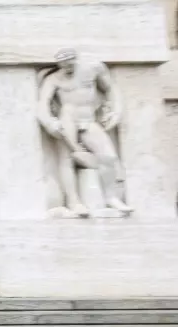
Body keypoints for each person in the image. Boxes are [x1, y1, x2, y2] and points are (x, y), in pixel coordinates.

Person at [37, 48, 132, 217]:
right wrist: (51, 123)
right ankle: (74, 201)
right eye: (64, 64)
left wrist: (115, 111)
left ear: (76, 59)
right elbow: (43, 104)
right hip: (67, 119)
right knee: (66, 160)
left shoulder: (93, 68)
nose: (68, 67)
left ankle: (111, 197)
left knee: (108, 156)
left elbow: (110, 88)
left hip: (88, 119)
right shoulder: (53, 79)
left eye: (71, 62)